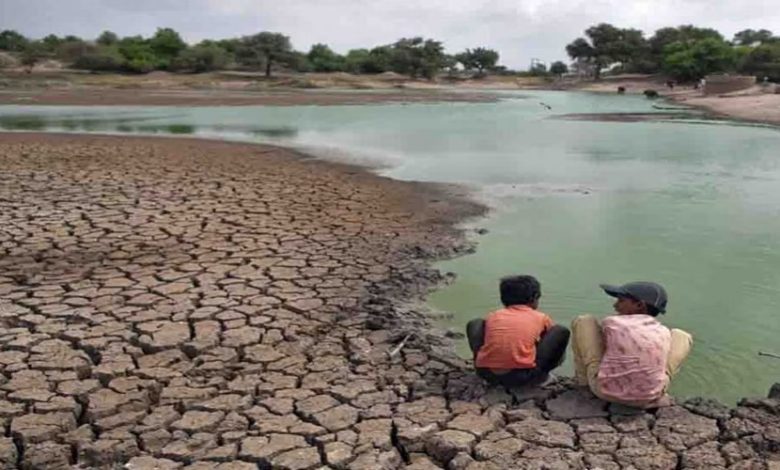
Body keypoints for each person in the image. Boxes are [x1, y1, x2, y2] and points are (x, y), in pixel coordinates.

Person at [571, 282, 693, 408]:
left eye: (621, 301)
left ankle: (583, 384)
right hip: (651, 396)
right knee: (682, 336)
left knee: (584, 321)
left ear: (640, 305)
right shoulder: (663, 332)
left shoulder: (612, 323)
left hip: (604, 392)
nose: (615, 305)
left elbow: (601, 346)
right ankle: (656, 388)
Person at [466, 275, 570, 387]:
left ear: (503, 299)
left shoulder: (493, 316)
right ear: (535, 297)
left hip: (486, 373)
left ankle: (484, 363)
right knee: (560, 331)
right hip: (522, 377)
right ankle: (542, 378)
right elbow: (552, 346)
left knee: (475, 323)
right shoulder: (541, 317)